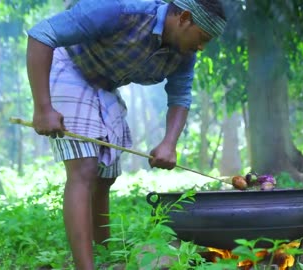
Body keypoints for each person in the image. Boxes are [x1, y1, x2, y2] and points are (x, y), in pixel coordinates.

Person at [26, 0, 226, 268]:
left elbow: (180, 95)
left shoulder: (184, 54)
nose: (201, 47)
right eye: (202, 38)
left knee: (105, 176)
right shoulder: (120, 10)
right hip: (69, 64)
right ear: (184, 18)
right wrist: (43, 108)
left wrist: (169, 143)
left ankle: (107, 258)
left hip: (106, 84)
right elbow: (41, 34)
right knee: (84, 168)